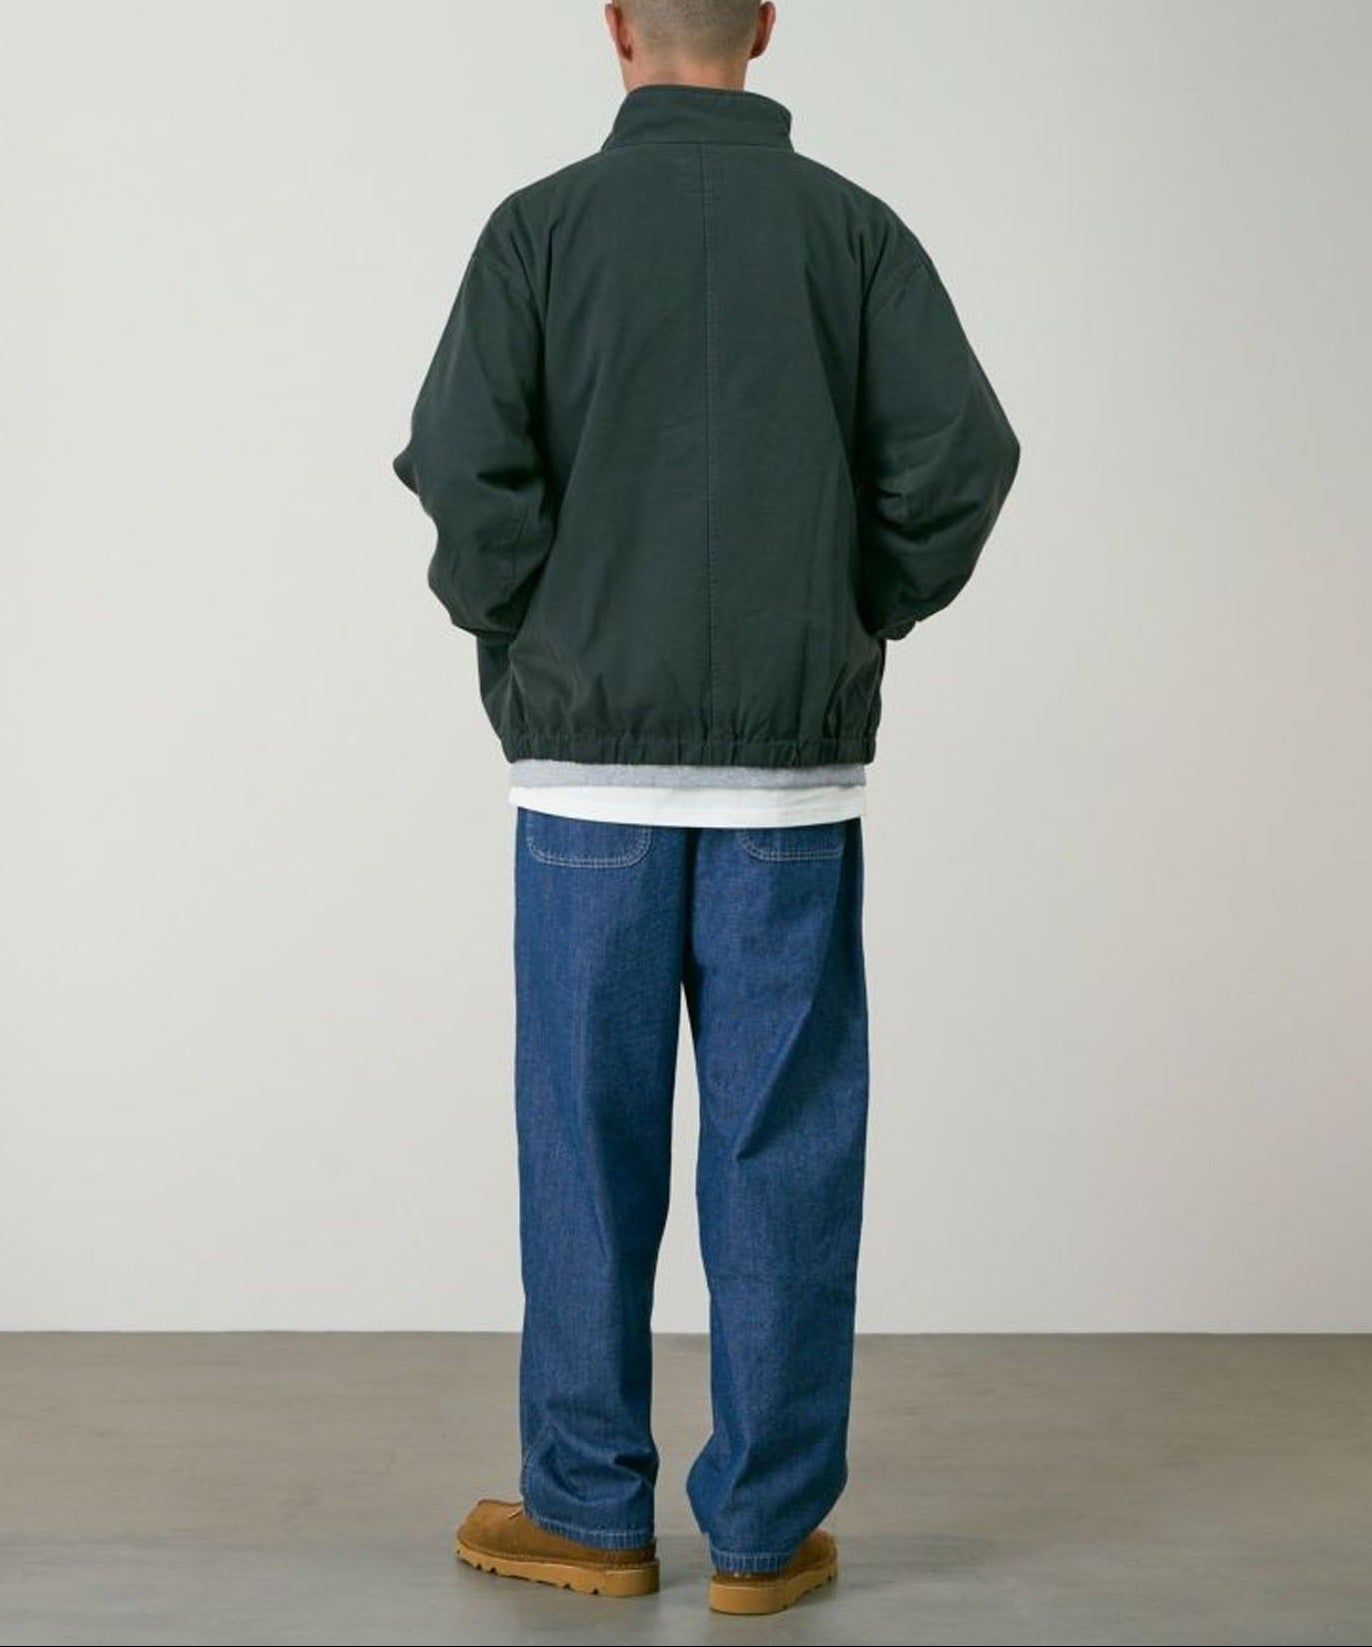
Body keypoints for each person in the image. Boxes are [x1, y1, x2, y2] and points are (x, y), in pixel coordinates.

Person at [391, 0, 1020, 1617]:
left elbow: (462, 465)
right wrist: (852, 610)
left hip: (585, 779)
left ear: (615, 26)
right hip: (786, 788)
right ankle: (763, 1534)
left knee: (583, 1146)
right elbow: (961, 457)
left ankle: (588, 1511)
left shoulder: (539, 231)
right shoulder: (852, 235)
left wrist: (532, 634)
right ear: (765, 24)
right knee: (783, 1147)